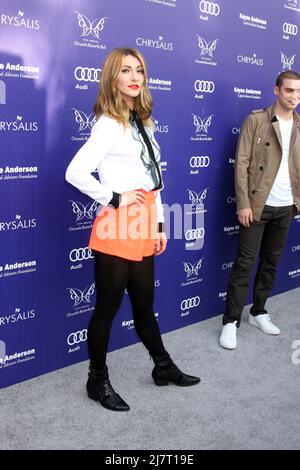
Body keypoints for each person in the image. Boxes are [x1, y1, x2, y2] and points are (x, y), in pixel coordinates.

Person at [66, 47, 200, 411]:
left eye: (139, 69)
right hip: (116, 228)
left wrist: (159, 225)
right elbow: (74, 172)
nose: (135, 76)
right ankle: (97, 380)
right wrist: (114, 197)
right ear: (113, 78)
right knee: (107, 309)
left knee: (144, 304)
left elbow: (153, 180)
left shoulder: (143, 121)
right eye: (126, 70)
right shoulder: (109, 123)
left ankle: (163, 367)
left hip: (143, 226)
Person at [220, 70, 300, 350]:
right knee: (244, 264)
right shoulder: (256, 120)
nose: (294, 97)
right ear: (276, 90)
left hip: (286, 206)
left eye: (298, 92)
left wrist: (296, 202)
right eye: (289, 90)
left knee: (271, 262)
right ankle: (230, 322)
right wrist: (243, 203)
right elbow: (241, 164)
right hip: (257, 205)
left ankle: (258, 311)